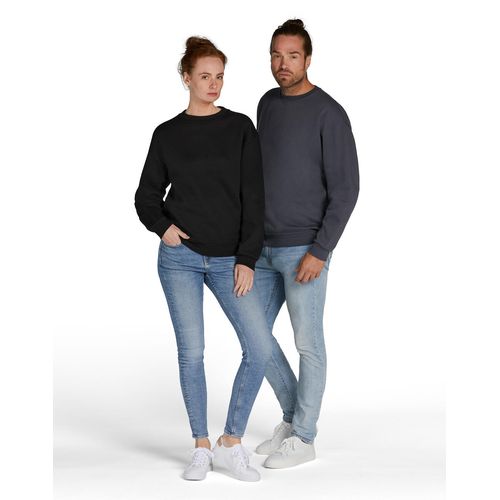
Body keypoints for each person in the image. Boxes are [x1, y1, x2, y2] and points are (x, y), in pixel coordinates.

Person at [134, 36, 272, 482]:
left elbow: (254, 198)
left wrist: (247, 257)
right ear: (187, 78)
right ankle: (200, 446)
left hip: (231, 258)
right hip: (180, 260)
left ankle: (230, 443)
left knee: (260, 347)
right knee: (192, 353)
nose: (214, 84)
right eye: (205, 76)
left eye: (220, 77)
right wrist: (164, 228)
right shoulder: (167, 134)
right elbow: (145, 197)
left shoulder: (240, 127)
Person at [254, 19, 360, 468]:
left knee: (308, 344)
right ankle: (292, 418)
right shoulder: (266, 104)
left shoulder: (328, 113)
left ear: (308, 59)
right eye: (276, 55)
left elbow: (346, 189)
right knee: (254, 339)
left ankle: (305, 436)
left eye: (292, 56)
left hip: (304, 250)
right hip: (260, 248)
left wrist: (321, 250)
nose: (283, 64)